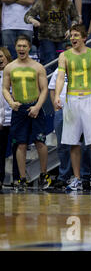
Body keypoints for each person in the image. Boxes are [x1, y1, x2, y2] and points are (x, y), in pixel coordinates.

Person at [54, 23, 91, 191]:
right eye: (71, 35)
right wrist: (57, 95)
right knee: (73, 142)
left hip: (90, 98)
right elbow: (61, 78)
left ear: (84, 38)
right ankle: (76, 178)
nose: (73, 38)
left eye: (76, 35)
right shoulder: (64, 56)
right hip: (71, 99)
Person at [1, 35, 50, 191]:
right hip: (19, 109)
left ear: (29, 48)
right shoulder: (10, 67)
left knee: (40, 142)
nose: (21, 49)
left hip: (35, 107)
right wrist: (11, 102)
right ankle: (22, 179)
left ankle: (43, 174)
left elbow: (44, 90)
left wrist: (37, 107)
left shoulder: (38, 67)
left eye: (24, 46)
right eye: (19, 46)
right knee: (20, 144)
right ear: (15, 48)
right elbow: (4, 88)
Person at [25, 0, 80, 73]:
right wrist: (33, 20)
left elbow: (75, 17)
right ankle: (49, 85)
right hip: (46, 38)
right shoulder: (41, 2)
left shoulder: (67, 2)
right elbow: (27, 16)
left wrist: (71, 29)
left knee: (61, 63)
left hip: (62, 38)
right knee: (49, 60)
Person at [0, 47, 12, 190]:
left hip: (14, 118)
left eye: (2, 56)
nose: (0, 59)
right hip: (1, 120)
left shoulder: (14, 73)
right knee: (1, 152)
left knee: (17, 149)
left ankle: (17, 179)